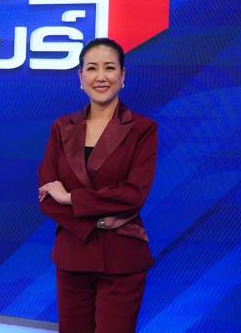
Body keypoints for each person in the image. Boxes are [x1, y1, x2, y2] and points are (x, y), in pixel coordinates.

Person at [38, 38, 157, 333]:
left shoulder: (143, 130)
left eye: (109, 68)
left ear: (123, 75)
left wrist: (71, 198)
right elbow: (47, 195)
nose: (100, 76)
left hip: (122, 258)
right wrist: (100, 221)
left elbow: (133, 194)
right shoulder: (61, 128)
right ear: (80, 77)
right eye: (92, 68)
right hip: (72, 257)